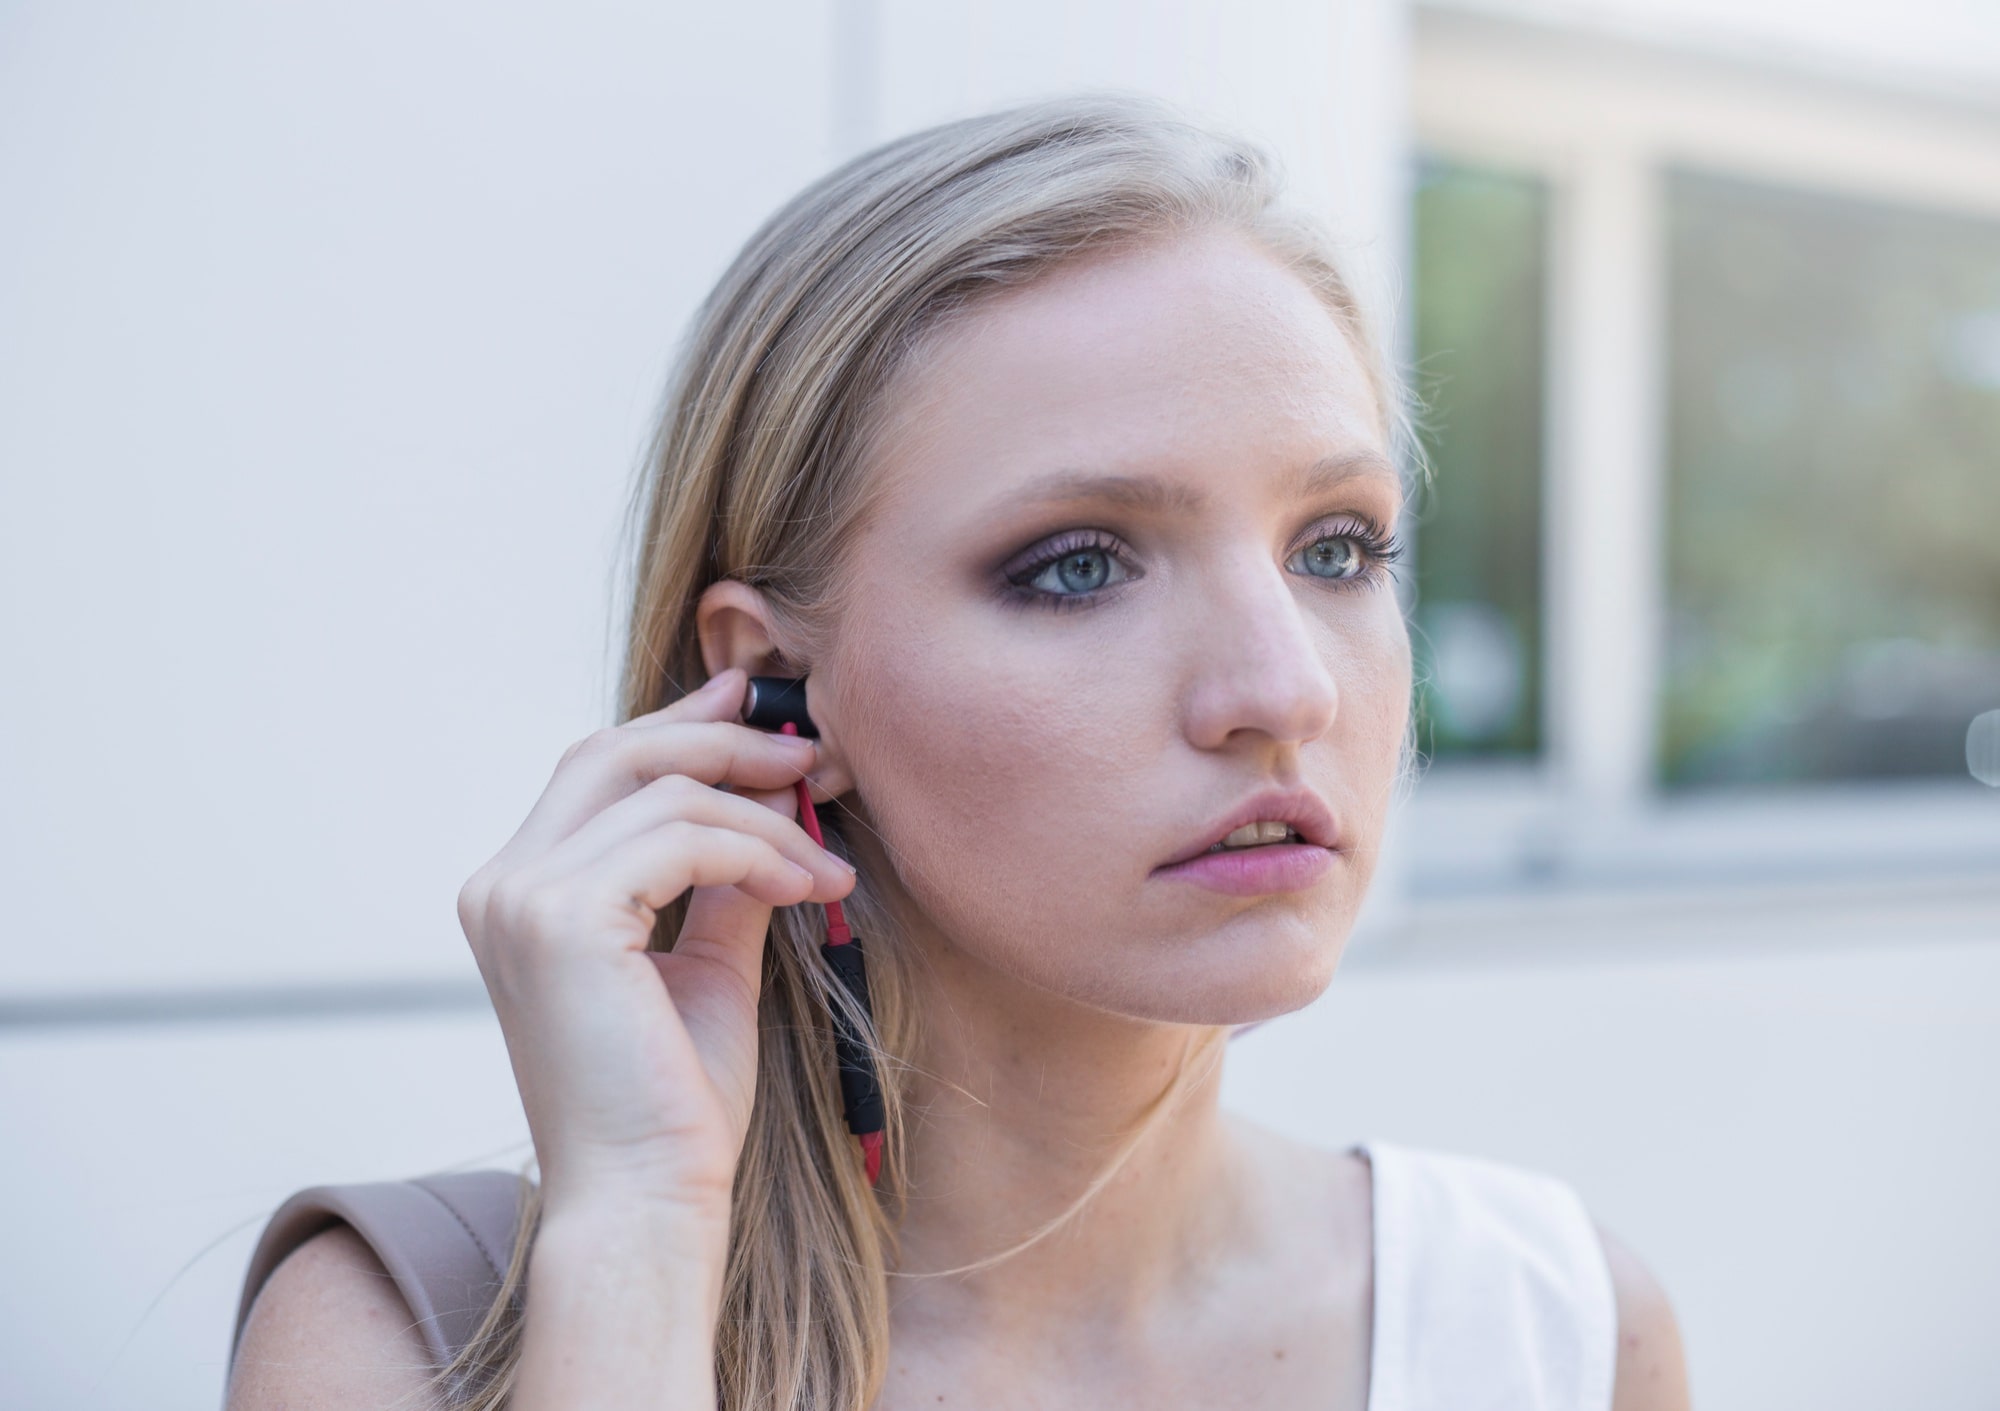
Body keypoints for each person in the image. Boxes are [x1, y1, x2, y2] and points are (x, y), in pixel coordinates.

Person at [225, 92, 1691, 1411]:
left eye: (1336, 548)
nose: (1285, 689)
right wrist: (639, 1239)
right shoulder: (407, 1348)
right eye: (1078, 566)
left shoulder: (1550, 1333)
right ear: (777, 687)